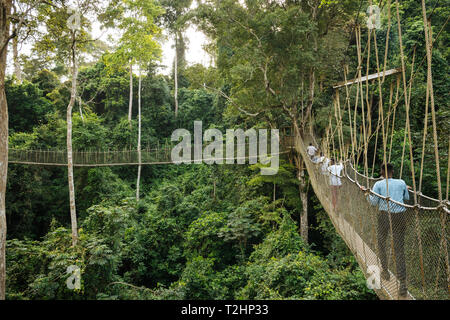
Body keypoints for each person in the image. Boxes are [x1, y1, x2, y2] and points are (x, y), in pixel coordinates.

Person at [360, 163, 410, 299]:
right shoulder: (401, 182)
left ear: (382, 172)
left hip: (384, 216)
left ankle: (385, 271)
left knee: (382, 242)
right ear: (393, 171)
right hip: (399, 216)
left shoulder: (378, 185)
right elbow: (407, 198)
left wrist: (365, 192)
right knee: (399, 249)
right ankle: (403, 284)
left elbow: (373, 202)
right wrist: (404, 189)